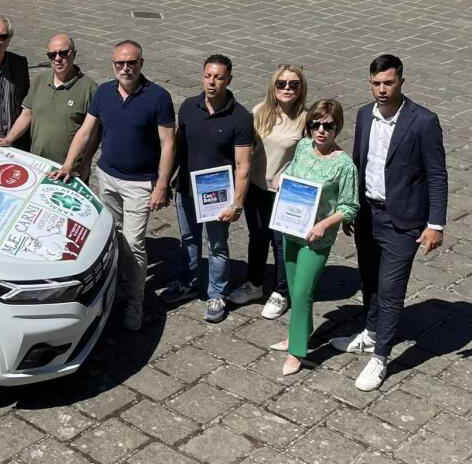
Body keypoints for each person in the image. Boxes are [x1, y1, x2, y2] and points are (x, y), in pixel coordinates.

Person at [329, 54, 447, 392]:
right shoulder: (364, 115)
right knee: (370, 281)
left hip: (403, 221)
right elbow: (358, 161)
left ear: (401, 83)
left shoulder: (423, 121)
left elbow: (437, 175)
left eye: (388, 83)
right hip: (367, 214)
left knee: (392, 292)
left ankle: (380, 357)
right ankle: (370, 333)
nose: (382, 89)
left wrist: (435, 224)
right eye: (376, 83)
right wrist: (348, 207)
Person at [53, 40, 175, 331]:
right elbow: (86, 131)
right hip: (107, 177)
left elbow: (168, 143)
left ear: (141, 64)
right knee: (112, 237)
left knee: (134, 243)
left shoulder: (158, 97)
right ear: (113, 65)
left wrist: (161, 184)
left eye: (131, 62)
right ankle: (117, 287)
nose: (125, 68)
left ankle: (135, 301)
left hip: (140, 184)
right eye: (120, 63)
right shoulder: (104, 92)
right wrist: (70, 163)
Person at [160, 55, 253, 323]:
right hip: (187, 190)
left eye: (219, 77)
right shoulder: (189, 107)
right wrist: (166, 182)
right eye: (208, 76)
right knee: (188, 240)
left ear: (229, 80)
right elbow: (178, 148)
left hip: (218, 196)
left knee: (217, 245)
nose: (212, 82)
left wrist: (236, 204)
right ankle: (188, 283)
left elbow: (243, 166)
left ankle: (217, 294)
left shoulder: (241, 118)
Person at [271, 99, 359, 376]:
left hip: (316, 238)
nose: (321, 131)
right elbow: (294, 173)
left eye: (328, 126)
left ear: (338, 127)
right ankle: (301, 331)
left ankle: (297, 352)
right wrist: (280, 179)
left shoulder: (345, 165)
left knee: (301, 291)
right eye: (315, 124)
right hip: (291, 228)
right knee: (297, 289)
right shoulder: (303, 147)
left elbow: (350, 205)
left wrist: (326, 223)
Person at [228, 65, 308, 319]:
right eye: (281, 84)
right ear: (273, 87)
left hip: (285, 192)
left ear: (301, 88)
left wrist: (291, 173)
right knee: (258, 236)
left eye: (293, 84)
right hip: (255, 187)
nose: (287, 88)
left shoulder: (306, 119)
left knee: (281, 243)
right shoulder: (259, 112)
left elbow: (313, 156)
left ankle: (281, 291)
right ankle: (254, 283)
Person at [0, 32, 99, 176]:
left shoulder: (90, 88)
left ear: (74, 54)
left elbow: (93, 133)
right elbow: (27, 114)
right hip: (37, 165)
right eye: (52, 55)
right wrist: (9, 139)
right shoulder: (40, 79)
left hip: (69, 171)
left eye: (63, 53)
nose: (58, 59)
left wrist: (85, 163)